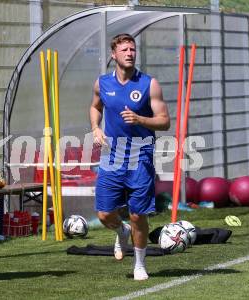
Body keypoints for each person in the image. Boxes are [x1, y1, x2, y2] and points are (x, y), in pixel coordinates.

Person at [89, 33, 170, 280]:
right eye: (124, 50)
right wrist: (95, 128)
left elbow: (165, 121)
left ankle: (139, 264)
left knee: (138, 214)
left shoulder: (149, 84)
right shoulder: (102, 83)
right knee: (104, 214)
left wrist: (141, 119)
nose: (129, 53)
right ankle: (121, 231)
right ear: (114, 55)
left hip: (140, 156)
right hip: (111, 157)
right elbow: (95, 107)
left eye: (132, 49)